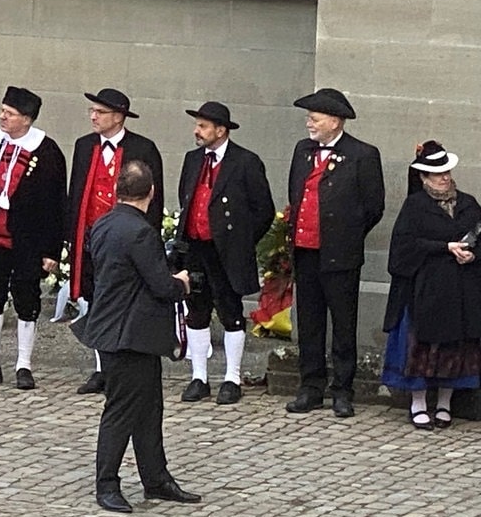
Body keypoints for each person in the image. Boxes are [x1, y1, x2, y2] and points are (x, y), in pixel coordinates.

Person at [76, 160, 200, 513]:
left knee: (149, 409)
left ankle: (156, 478)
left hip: (121, 331)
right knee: (121, 410)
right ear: (151, 192)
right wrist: (183, 283)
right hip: (129, 333)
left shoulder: (103, 224)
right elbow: (161, 285)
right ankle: (107, 484)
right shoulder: (140, 231)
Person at [284, 88, 385, 419]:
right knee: (310, 323)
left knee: (343, 324)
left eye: (315, 118)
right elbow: (295, 193)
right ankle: (311, 386)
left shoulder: (362, 154)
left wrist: (347, 235)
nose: (309, 123)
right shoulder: (302, 151)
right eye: (309, 117)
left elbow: (373, 207)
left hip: (339, 255)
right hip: (306, 251)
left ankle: (343, 389)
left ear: (335, 121)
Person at [0, 85, 66, 391]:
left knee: (26, 297)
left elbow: (56, 203)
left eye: (9, 113)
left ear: (27, 119)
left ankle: (24, 364)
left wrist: (51, 250)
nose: (2, 117)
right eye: (2, 111)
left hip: (28, 238)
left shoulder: (47, 151)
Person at [175, 101, 275, 405]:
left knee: (231, 312)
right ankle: (199, 376)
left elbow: (264, 210)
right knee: (197, 311)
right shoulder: (193, 160)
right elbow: (185, 197)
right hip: (195, 247)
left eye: (203, 126)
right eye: (197, 125)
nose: (197, 130)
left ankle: (232, 377)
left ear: (221, 130)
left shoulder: (245, 161)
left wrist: (241, 241)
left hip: (227, 250)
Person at [67, 88, 164, 395]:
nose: (93, 117)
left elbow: (154, 200)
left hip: (127, 239)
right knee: (96, 300)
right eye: (91, 111)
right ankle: (101, 368)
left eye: (100, 112)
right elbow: (76, 193)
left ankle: (123, 364)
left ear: (119, 116)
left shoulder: (143, 148)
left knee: (124, 300)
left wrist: (145, 239)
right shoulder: (84, 146)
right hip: (93, 238)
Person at [381, 141, 481, 431]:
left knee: (455, 350)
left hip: (461, 291)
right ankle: (419, 403)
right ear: (424, 177)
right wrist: (444, 247)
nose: (444, 177)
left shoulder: (468, 204)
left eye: (446, 172)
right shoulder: (415, 207)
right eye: (437, 174)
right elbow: (404, 248)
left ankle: (445, 404)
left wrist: (472, 254)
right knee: (422, 350)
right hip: (425, 291)